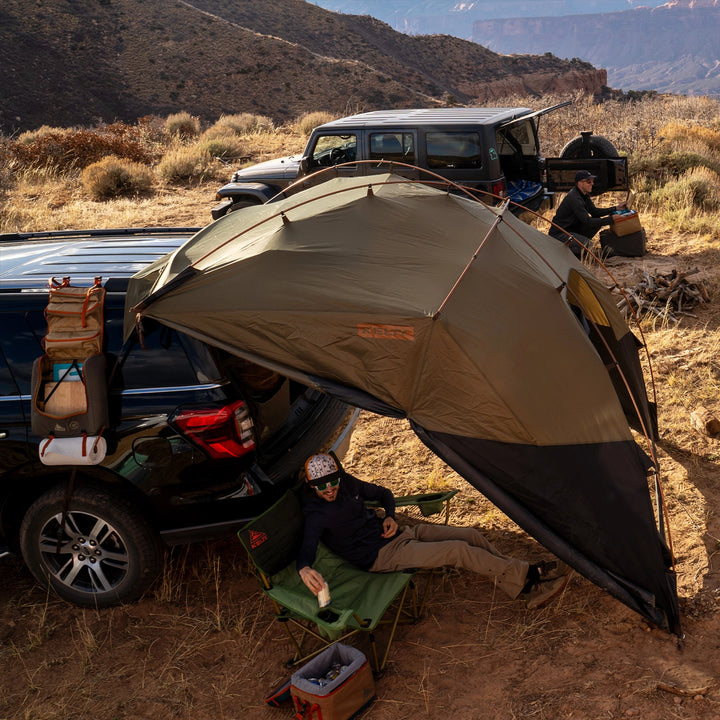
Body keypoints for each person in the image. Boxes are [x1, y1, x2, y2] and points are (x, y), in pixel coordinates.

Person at [296, 454, 569, 610]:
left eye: (332, 481)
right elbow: (307, 548)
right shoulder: (316, 515)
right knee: (457, 551)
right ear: (312, 487)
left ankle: (518, 583)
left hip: (400, 533)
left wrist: (390, 516)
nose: (329, 489)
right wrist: (304, 568)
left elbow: (383, 493)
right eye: (322, 486)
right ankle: (530, 575)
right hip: (380, 556)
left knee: (470, 535)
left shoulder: (347, 484)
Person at [549, 169, 627, 257]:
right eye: (589, 182)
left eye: (592, 181)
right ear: (580, 183)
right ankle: (573, 252)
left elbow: (594, 212)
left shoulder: (584, 194)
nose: (592, 184)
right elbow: (587, 221)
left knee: (597, 223)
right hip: (559, 234)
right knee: (588, 244)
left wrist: (615, 208)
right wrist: (611, 219)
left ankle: (579, 245)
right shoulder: (575, 199)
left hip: (572, 229)